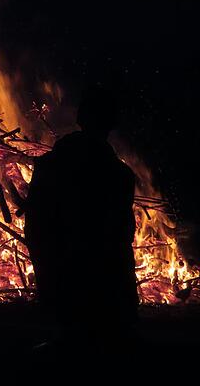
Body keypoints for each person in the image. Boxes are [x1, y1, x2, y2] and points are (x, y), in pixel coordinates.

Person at [25, 87, 138, 346]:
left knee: (72, 337)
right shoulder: (119, 174)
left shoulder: (51, 165)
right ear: (111, 123)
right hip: (102, 284)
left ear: (81, 120)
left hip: (65, 274)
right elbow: (122, 233)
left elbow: (35, 223)